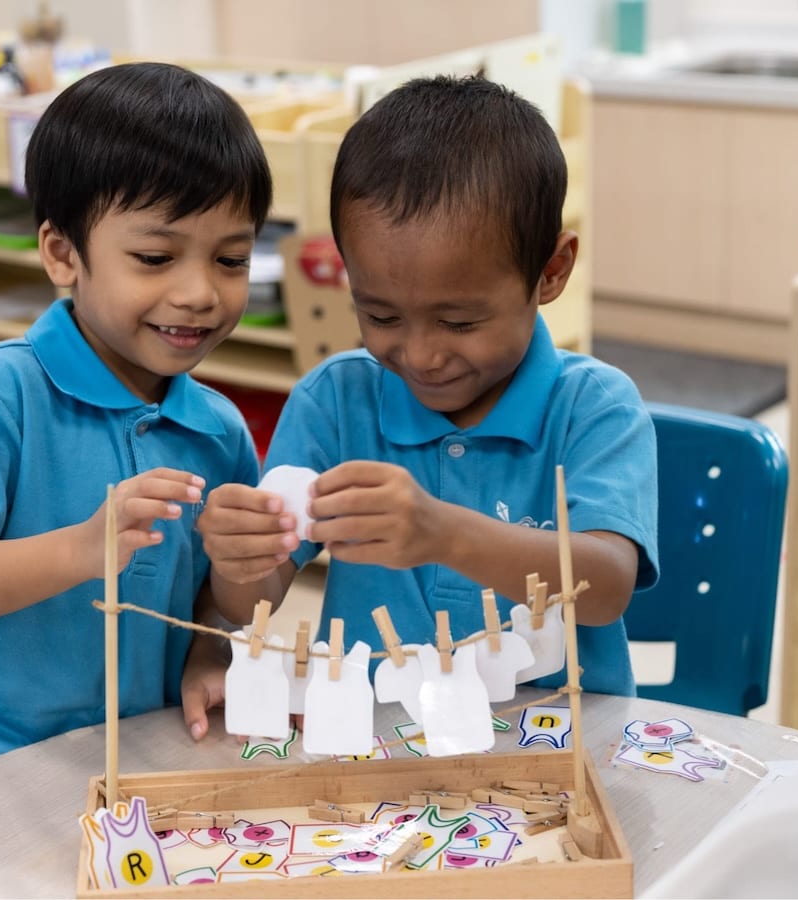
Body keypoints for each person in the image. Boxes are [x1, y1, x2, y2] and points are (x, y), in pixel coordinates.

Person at [190, 75, 658, 728]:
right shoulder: (334, 402)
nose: (422, 355)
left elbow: (605, 587)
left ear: (550, 272)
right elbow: (253, 606)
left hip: (564, 748)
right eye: (380, 315)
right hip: (381, 749)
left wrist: (442, 533)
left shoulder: (594, 407)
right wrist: (238, 558)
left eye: (460, 323)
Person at [0, 62, 273, 792]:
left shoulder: (219, 430)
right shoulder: (0, 390)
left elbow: (220, 607)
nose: (197, 293)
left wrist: (215, 647)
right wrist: (81, 548)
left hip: (137, 763)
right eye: (155, 258)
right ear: (63, 253)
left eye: (232, 259)